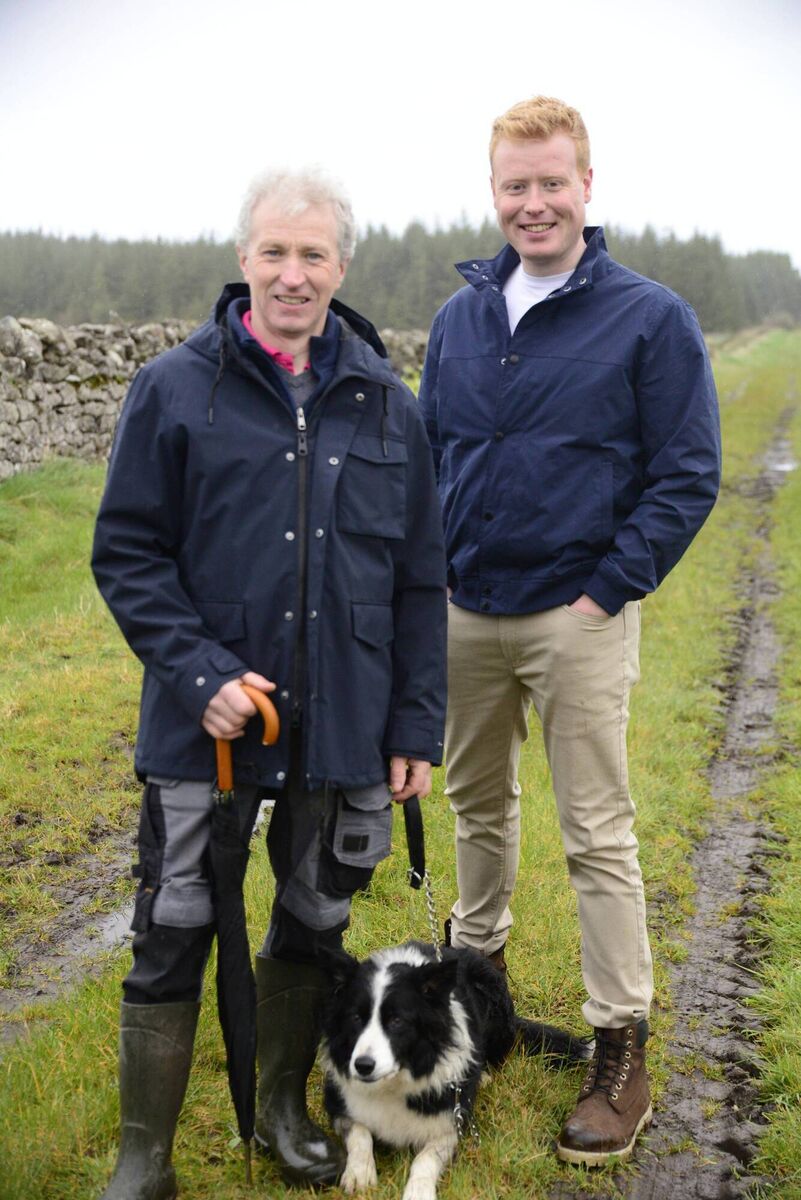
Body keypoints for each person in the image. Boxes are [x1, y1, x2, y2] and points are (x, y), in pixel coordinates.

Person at [92, 167, 447, 1198]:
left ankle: (287, 1115)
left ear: (342, 264)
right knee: (172, 926)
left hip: (345, 726)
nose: (293, 274)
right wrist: (199, 672)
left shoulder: (389, 407)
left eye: (313, 254)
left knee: (314, 923)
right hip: (202, 726)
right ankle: (144, 1157)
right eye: (275, 252)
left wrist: (414, 725)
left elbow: (420, 580)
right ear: (244, 257)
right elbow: (127, 552)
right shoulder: (173, 388)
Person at [419, 96, 720, 1167]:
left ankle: (618, 1048)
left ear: (586, 186)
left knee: (597, 833)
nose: (534, 202)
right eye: (516, 185)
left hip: (576, 615)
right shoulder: (459, 320)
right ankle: (478, 1002)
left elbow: (686, 473)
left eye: (552, 182)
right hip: (464, 612)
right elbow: (430, 460)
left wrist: (606, 592)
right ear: (494, 191)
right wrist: (427, 582)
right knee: (475, 810)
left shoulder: (649, 318)